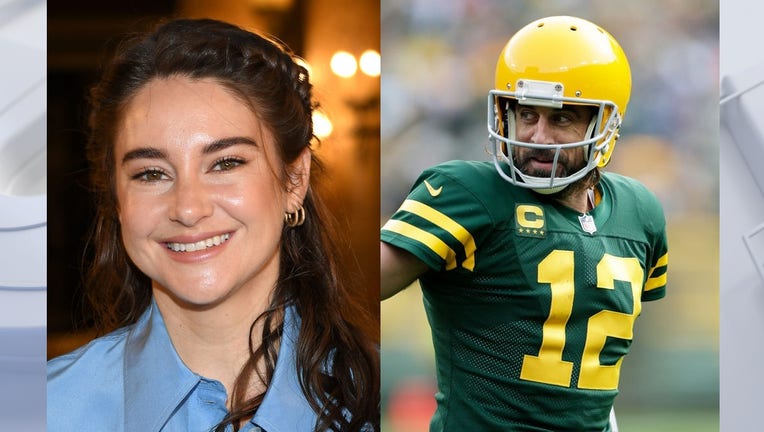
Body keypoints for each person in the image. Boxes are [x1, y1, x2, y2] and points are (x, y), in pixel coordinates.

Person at [47, 18, 379, 432]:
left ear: (294, 180)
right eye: (151, 173)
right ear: (116, 199)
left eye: (225, 163)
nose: (188, 208)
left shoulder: (392, 402)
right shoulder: (42, 409)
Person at [380, 15, 667, 431]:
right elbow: (354, 284)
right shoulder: (469, 192)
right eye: (527, 114)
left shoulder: (640, 211)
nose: (537, 136)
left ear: (605, 126)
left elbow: (594, 362)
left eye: (561, 119)